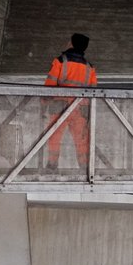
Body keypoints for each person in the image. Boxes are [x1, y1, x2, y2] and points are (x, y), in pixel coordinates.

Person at [44, 33, 97, 169]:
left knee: (54, 136)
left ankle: (52, 165)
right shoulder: (90, 68)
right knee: (81, 139)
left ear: (72, 43)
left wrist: (43, 103)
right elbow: (93, 92)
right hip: (80, 108)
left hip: (59, 106)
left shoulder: (60, 62)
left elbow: (49, 86)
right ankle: (84, 167)